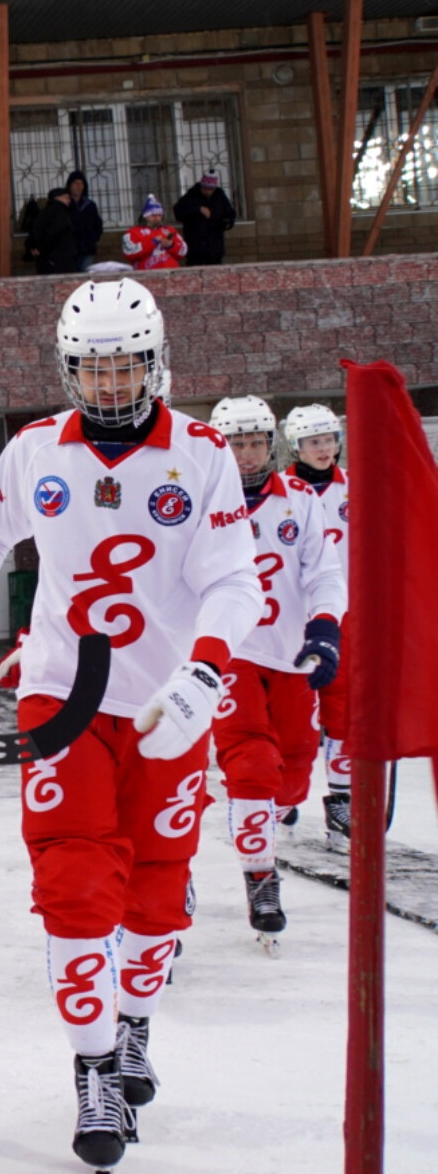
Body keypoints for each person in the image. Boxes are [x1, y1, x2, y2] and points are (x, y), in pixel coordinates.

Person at [0, 277, 259, 1174]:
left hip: (165, 702)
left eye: (126, 368)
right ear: (70, 371)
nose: (111, 385)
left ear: (156, 363)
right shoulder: (36, 449)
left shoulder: (201, 453)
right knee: (75, 882)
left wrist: (205, 670)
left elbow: (236, 580)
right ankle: (94, 1066)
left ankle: (134, 1024)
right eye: (94, 369)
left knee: (155, 894)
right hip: (62, 693)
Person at [206, 397, 344, 948]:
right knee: (252, 767)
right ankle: (260, 876)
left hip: (290, 654)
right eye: (234, 444)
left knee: (293, 774)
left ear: (272, 444)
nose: (244, 454)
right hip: (229, 653)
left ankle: (261, 818)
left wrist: (326, 628)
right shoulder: (196, 501)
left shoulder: (301, 500)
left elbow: (324, 572)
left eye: (255, 442)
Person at [282, 403, 354, 843]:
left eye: (328, 440)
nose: (324, 449)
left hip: (346, 614)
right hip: (292, 616)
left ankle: (342, 798)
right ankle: (283, 793)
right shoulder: (281, 492)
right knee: (292, 715)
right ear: (296, 446)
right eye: (314, 442)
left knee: (345, 710)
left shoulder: (356, 488)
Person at [174, 171, 237, 267]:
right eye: (205, 188)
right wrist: (198, 210)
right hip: (195, 245)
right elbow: (178, 212)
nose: (208, 191)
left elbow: (230, 213)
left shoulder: (220, 196)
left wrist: (227, 222)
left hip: (214, 245)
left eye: (211, 189)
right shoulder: (191, 195)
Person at [120, 195, 185, 271]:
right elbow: (129, 252)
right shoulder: (133, 232)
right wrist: (153, 242)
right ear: (145, 216)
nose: (157, 218)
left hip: (172, 275)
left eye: (159, 215)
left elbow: (184, 251)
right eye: (153, 215)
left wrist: (171, 246)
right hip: (145, 276)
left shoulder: (170, 230)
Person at [25, 186, 81, 275]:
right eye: (66, 197)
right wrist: (41, 248)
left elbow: (35, 232)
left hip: (46, 260)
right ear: (58, 198)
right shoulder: (59, 212)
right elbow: (53, 233)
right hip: (58, 260)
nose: (69, 200)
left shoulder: (46, 212)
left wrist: (35, 248)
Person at [67, 170, 105, 271]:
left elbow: (97, 224)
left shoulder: (90, 205)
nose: (79, 186)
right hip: (70, 251)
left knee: (84, 276)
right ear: (69, 185)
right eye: (76, 183)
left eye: (81, 183)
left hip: (88, 249)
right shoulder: (65, 205)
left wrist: (93, 238)